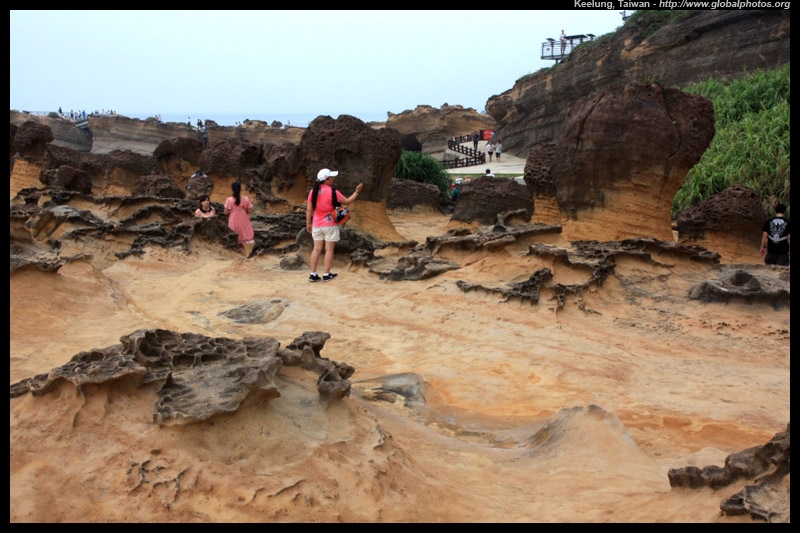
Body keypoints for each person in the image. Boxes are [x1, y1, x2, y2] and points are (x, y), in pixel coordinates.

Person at [306, 168, 364, 282]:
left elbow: (309, 209)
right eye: (331, 177)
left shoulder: (313, 192)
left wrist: (308, 222)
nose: (333, 179)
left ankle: (313, 274)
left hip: (316, 224)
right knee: (329, 250)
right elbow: (347, 201)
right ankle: (326, 274)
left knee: (316, 249)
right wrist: (357, 191)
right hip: (330, 224)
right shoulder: (333, 192)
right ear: (326, 179)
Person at [224, 182, 255, 257]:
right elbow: (250, 210)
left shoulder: (229, 199)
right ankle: (244, 256)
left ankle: (240, 256)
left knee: (236, 239)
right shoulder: (246, 198)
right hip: (243, 218)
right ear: (240, 189)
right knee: (242, 240)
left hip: (234, 218)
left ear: (232, 189)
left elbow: (225, 212)